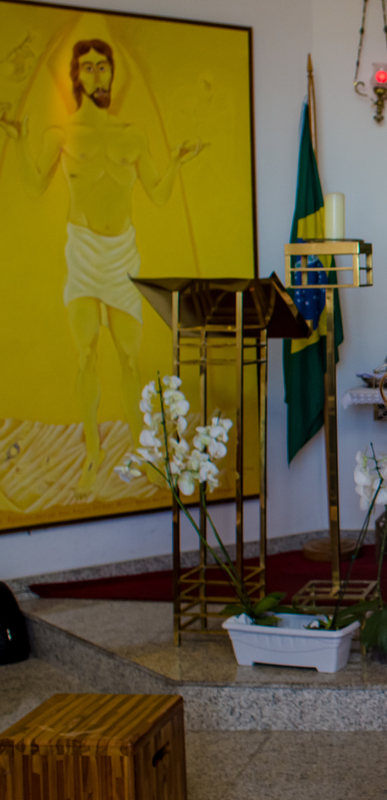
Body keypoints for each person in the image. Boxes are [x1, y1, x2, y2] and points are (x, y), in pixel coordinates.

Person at [0, 39, 203, 492]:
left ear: (112, 73)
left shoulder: (133, 135)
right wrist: (17, 141)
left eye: (103, 66)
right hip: (83, 252)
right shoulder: (61, 134)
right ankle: (92, 455)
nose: (97, 74)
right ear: (77, 76)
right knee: (87, 352)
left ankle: (142, 452)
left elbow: (158, 194)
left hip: (122, 255)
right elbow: (34, 186)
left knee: (130, 357)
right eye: (88, 67)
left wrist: (174, 162)